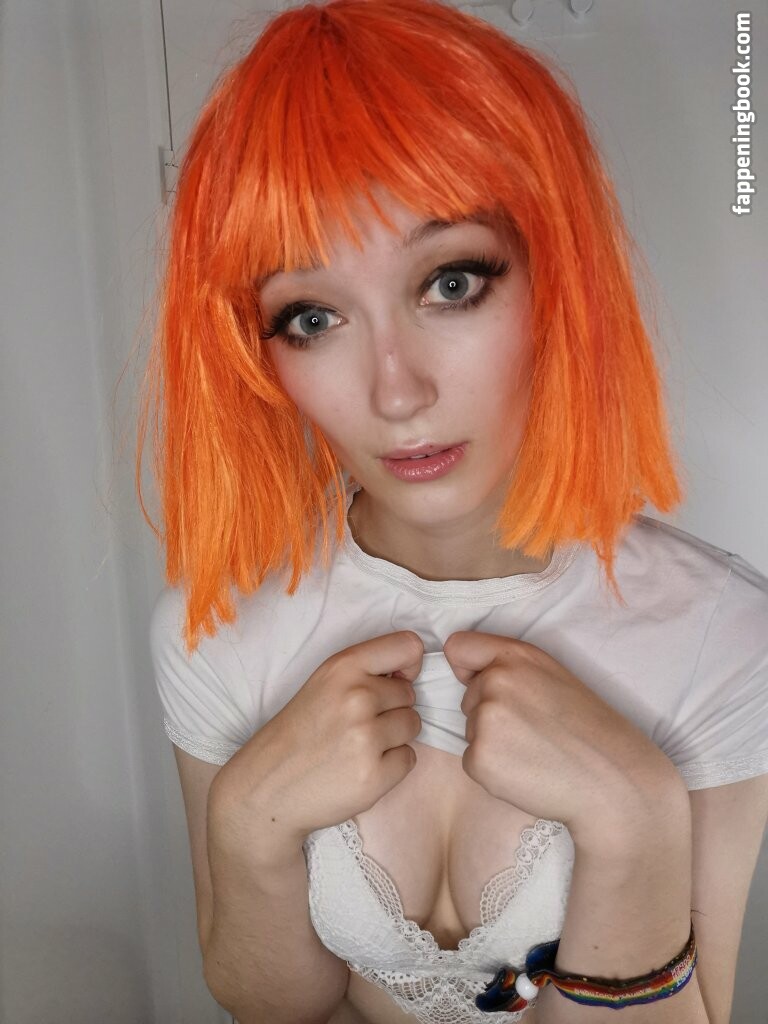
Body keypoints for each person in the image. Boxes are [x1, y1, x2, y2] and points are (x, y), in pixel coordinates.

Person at [137, 1, 768, 1022]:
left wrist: (637, 822)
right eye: (312, 316)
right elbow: (268, 1002)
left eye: (451, 281)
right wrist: (248, 825)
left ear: (558, 275)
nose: (396, 391)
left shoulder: (721, 632)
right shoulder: (213, 630)